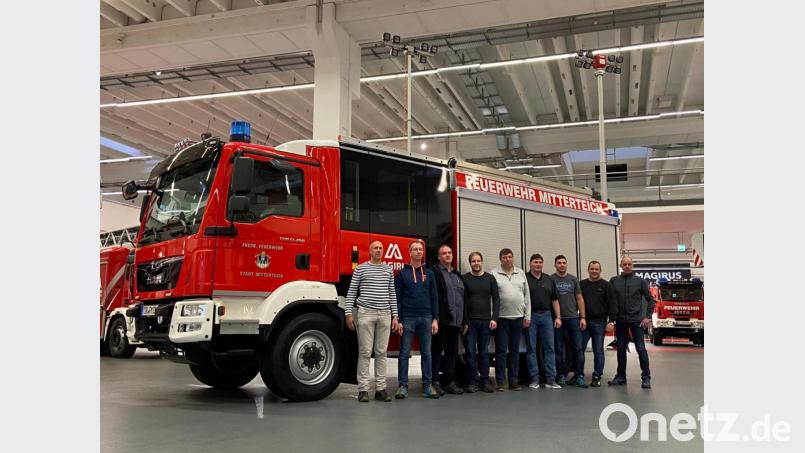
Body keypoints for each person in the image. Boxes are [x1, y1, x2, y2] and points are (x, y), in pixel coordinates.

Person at [345, 241, 400, 403]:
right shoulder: (361, 269)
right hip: (365, 314)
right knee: (365, 352)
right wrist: (348, 313)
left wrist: (395, 316)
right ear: (369, 251)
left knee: (382, 352)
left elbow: (392, 293)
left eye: (380, 248)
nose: (378, 250)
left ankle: (380, 390)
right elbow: (352, 292)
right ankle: (363, 390)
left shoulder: (388, 269)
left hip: (385, 314)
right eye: (375, 248)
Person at [395, 239, 440, 399]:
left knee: (427, 353)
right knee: (404, 352)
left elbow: (434, 297)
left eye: (420, 249)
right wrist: (398, 319)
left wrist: (435, 319)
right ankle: (402, 386)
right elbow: (397, 298)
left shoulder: (429, 273)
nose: (418, 252)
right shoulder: (402, 274)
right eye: (415, 249)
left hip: (427, 317)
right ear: (409, 252)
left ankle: (428, 385)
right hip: (407, 318)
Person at [608, 256, 656, 389]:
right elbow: (610, 301)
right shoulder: (614, 281)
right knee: (621, 349)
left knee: (641, 349)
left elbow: (650, 300)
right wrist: (611, 320)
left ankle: (646, 378)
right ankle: (621, 377)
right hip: (621, 321)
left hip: (637, 322)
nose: (627, 266)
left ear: (632, 265)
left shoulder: (640, 281)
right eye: (625, 264)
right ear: (621, 265)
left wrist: (647, 317)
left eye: (629, 264)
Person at [490, 248, 530, 391]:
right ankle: (501, 381)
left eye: (510, 257)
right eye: (505, 257)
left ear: (513, 258)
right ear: (500, 259)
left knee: (514, 350)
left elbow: (527, 296)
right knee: (501, 351)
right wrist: (492, 316)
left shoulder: (520, 273)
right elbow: (491, 298)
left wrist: (527, 316)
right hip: (501, 319)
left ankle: (513, 380)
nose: (508, 259)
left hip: (518, 318)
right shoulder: (494, 274)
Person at [461, 251, 500, 393]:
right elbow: (463, 302)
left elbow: (496, 300)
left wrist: (494, 318)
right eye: (473, 261)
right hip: (470, 323)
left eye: (478, 261)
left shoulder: (490, 279)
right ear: (470, 263)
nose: (476, 263)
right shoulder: (465, 279)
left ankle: (484, 381)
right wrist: (464, 322)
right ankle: (472, 382)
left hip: (486, 322)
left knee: (484, 353)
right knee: (470, 353)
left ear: (482, 262)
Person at [430, 245, 465, 396]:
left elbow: (464, 299)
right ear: (439, 257)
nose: (447, 255)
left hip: (456, 322)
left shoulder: (457, 276)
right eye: (444, 253)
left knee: (452, 352)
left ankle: (449, 381)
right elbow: (433, 297)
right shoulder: (435, 273)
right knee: (436, 351)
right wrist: (435, 317)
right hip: (442, 320)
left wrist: (465, 320)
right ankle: (434, 381)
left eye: (449, 253)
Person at [524, 254, 562, 389]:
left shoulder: (549, 279)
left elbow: (554, 299)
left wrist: (558, 316)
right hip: (531, 316)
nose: (538, 264)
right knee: (531, 349)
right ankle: (534, 379)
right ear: (530, 264)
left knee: (549, 349)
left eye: (540, 262)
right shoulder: (525, 278)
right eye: (535, 262)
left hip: (547, 316)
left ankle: (550, 379)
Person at [551, 255, 588, 388]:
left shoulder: (573, 279)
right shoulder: (551, 279)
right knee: (558, 349)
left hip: (573, 318)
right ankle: (561, 375)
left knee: (578, 348)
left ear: (567, 264)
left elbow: (579, 299)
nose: (562, 265)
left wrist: (582, 317)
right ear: (555, 265)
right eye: (559, 263)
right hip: (558, 320)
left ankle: (579, 376)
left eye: (564, 263)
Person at [580, 261, 617, 388]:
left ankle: (597, 376)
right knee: (579, 350)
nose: (594, 271)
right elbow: (578, 302)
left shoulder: (606, 286)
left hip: (600, 322)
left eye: (596, 269)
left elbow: (613, 305)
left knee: (598, 351)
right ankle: (579, 375)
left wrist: (611, 322)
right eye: (592, 269)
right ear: (588, 270)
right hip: (584, 322)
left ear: (600, 271)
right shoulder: (582, 284)